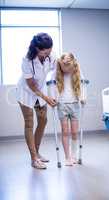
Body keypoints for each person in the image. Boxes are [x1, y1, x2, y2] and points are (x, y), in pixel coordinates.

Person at [16, 33, 57, 169]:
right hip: (26, 92)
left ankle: (37, 153)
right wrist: (47, 98)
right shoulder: (27, 60)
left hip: (40, 92)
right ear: (38, 49)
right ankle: (34, 158)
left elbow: (58, 69)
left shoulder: (50, 56)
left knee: (43, 120)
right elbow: (31, 85)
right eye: (46, 51)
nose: (49, 53)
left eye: (50, 50)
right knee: (29, 123)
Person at [56, 52, 83, 166]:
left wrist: (82, 97)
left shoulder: (77, 73)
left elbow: (83, 85)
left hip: (75, 104)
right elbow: (51, 85)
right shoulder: (57, 74)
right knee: (65, 131)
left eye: (68, 67)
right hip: (62, 104)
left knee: (74, 132)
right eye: (63, 67)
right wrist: (54, 99)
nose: (66, 70)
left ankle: (74, 155)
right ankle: (67, 157)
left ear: (72, 65)